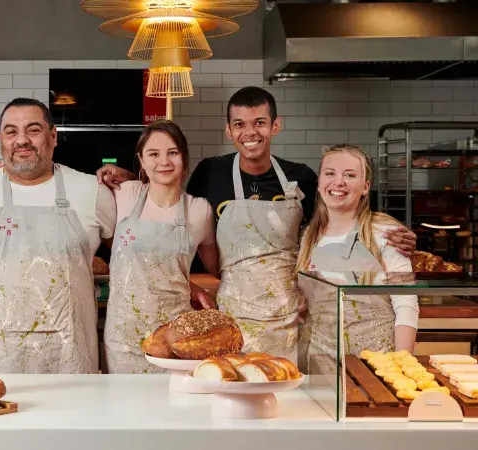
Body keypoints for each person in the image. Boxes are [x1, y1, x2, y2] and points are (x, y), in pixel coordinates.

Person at [96, 86, 416, 362]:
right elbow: (167, 205)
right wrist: (133, 179)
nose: (250, 133)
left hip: (288, 318)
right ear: (229, 130)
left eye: (259, 122)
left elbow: (332, 225)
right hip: (231, 318)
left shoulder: (301, 177)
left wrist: (383, 232)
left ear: (275, 125)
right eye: (240, 124)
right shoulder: (211, 173)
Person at [0, 98, 116, 374]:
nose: (22, 140)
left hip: (72, 362)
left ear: (53, 136)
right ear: (0, 140)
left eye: (33, 130)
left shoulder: (92, 190)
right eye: (11, 132)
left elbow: (129, 256)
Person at [104, 120, 218, 374]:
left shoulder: (200, 210)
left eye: (172, 152)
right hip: (124, 338)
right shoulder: (122, 194)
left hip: (175, 337)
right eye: (154, 154)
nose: (164, 162)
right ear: (141, 160)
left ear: (184, 158)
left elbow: (218, 268)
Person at [296, 144, 418, 366]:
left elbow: (406, 304)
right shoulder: (307, 237)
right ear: (319, 183)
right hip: (320, 364)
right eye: (330, 173)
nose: (338, 182)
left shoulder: (386, 232)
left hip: (376, 364)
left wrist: (402, 365)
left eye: (350, 175)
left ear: (365, 187)